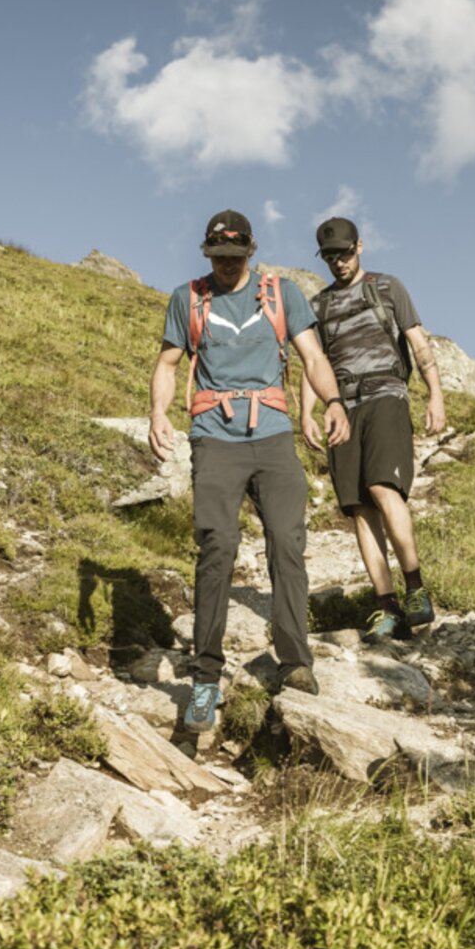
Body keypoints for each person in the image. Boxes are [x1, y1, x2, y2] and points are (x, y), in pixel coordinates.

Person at [149, 210, 350, 732]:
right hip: (214, 437)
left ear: (250, 253)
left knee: (287, 541)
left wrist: (332, 400)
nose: (226, 267)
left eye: (235, 259)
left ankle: (295, 664)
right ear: (207, 254)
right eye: (218, 258)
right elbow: (168, 364)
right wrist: (156, 414)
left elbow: (311, 354)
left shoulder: (281, 293)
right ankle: (205, 677)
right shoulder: (188, 298)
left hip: (274, 436)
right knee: (217, 545)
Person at [300, 217, 445, 642]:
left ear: (360, 246)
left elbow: (419, 343)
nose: (338, 262)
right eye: (330, 256)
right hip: (342, 407)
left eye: (344, 253)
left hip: (386, 395)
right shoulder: (318, 306)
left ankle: (415, 589)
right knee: (358, 507)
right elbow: (314, 365)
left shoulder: (387, 287)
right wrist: (306, 413)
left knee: (383, 489)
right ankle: (388, 609)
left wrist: (435, 395)